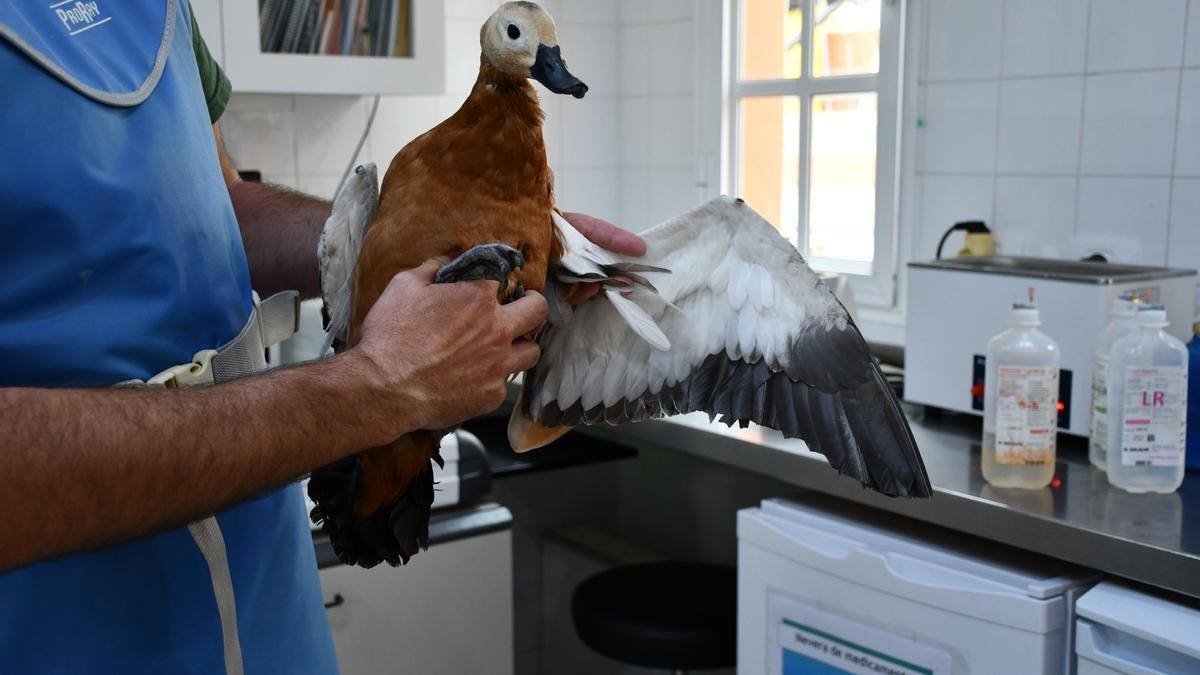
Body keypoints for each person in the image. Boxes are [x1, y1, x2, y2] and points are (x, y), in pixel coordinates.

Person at [0, 3, 645, 673]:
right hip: (64, 617)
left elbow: (217, 203)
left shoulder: (157, 10)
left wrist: (413, 237)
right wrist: (375, 387)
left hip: (263, 571)